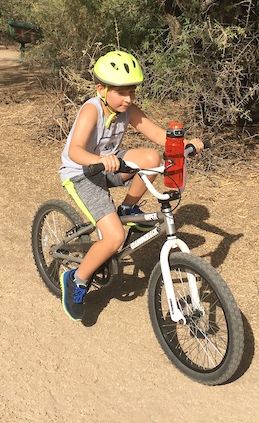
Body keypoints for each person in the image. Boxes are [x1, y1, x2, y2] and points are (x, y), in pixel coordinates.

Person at [58, 50, 204, 321]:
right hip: (82, 173)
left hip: (110, 165)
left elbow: (159, 136)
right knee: (113, 238)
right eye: (121, 92)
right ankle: (76, 279)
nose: (128, 99)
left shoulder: (128, 110)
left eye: (132, 92)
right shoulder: (92, 110)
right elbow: (76, 150)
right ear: (101, 89)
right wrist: (100, 160)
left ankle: (127, 209)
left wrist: (187, 145)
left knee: (151, 158)